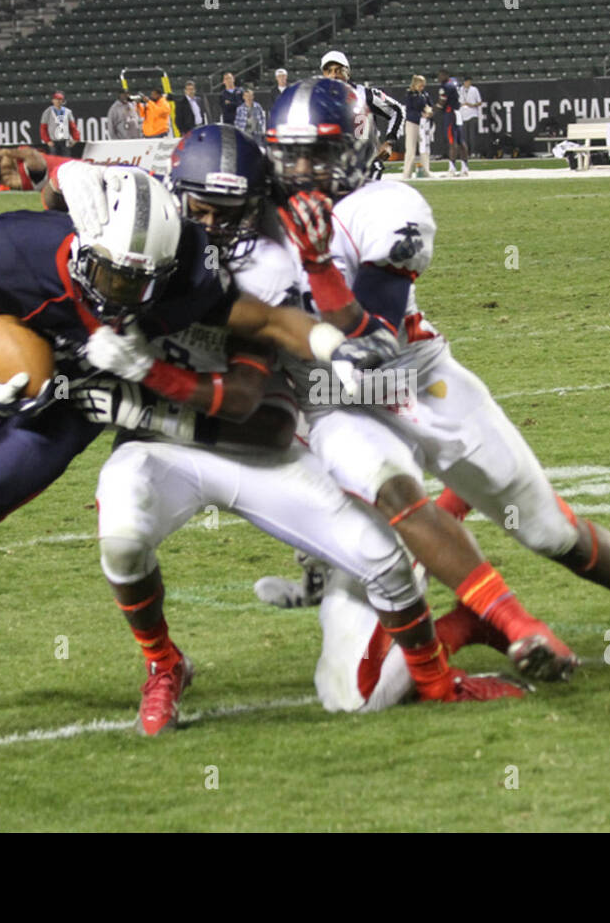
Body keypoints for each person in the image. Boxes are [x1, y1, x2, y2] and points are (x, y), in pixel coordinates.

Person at [0, 163, 397, 717]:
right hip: (1, 373)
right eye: (110, 276)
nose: (123, 294)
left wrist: (336, 346)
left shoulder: (184, 276)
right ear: (84, 251)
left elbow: (269, 322)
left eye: (138, 281)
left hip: (75, 401)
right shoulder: (17, 246)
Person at [262, 78, 610, 683]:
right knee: (368, 666)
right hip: (336, 407)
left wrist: (320, 264)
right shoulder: (249, 223)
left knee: (548, 530)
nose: (303, 171)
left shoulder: (385, 208)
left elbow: (373, 343)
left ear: (356, 149)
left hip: (416, 378)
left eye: (320, 154)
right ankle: (468, 618)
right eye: (289, 154)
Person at [88, 126, 527, 730]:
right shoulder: (145, 245)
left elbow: (257, 393)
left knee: (384, 563)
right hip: (165, 448)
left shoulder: (266, 268)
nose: (214, 224)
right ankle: (165, 665)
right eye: (200, 208)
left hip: (250, 440)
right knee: (121, 532)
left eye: (231, 211)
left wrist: (145, 385)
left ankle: (438, 673)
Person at [319, 50, 404, 181]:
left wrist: (389, 142)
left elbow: (397, 110)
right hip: (333, 169)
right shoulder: (318, 100)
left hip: (366, 167)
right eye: (328, 71)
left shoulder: (364, 94)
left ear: (348, 72)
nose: (333, 75)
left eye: (338, 70)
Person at [433, 68, 469, 176]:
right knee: (460, 140)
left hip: (450, 114)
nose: (439, 78)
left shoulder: (445, 87)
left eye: (440, 76)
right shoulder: (454, 81)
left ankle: (452, 168)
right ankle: (464, 167)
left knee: (452, 141)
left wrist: (431, 111)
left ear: (445, 75)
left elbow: (441, 103)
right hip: (457, 112)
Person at [402, 74, 433, 180]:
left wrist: (429, 112)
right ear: (415, 84)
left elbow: (430, 105)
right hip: (413, 123)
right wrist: (421, 114)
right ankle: (407, 173)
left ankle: (426, 171)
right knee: (410, 149)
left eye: (423, 85)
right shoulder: (410, 94)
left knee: (424, 149)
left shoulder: (425, 94)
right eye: (420, 85)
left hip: (424, 124)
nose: (422, 87)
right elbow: (410, 110)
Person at [40, 91, 80, 156]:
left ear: (63, 101)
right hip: (53, 140)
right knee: (54, 158)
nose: (58, 101)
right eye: (56, 99)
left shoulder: (68, 112)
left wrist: (76, 138)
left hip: (64, 140)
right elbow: (43, 127)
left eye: (60, 99)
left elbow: (72, 126)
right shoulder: (47, 112)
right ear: (53, 100)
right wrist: (47, 140)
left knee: (66, 159)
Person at [458, 75, 483, 158]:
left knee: (472, 135)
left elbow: (479, 102)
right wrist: (461, 104)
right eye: (467, 81)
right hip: (463, 115)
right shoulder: (459, 90)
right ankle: (465, 152)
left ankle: (473, 152)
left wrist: (472, 105)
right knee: (464, 136)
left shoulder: (474, 90)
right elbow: (457, 102)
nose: (468, 83)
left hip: (472, 114)